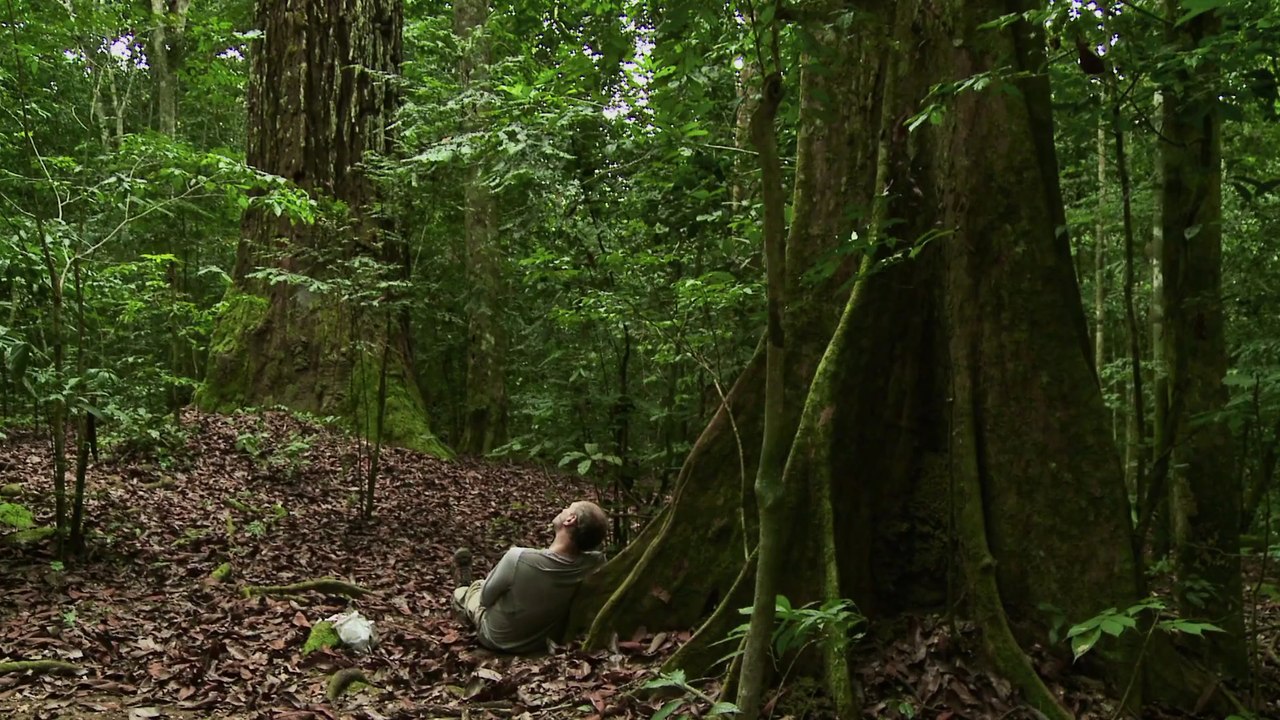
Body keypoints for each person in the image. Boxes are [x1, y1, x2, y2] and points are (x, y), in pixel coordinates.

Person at [451, 500, 608, 653]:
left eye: (568, 508)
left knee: (474, 590)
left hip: (497, 638)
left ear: (570, 519)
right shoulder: (595, 564)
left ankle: (463, 586)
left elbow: (485, 600)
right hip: (540, 642)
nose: (564, 509)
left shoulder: (518, 558)